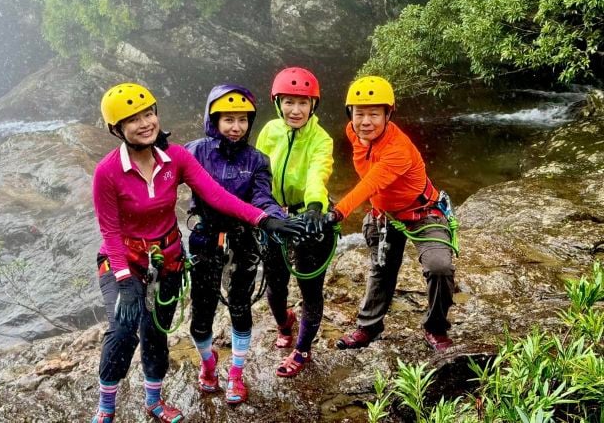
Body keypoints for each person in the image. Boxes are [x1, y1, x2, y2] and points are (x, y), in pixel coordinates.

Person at [91, 82, 303, 423]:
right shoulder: (107, 171)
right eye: (133, 120)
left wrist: (264, 219)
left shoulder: (175, 158)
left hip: (169, 260)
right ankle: (105, 408)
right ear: (118, 129)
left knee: (156, 331)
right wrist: (124, 279)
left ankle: (154, 401)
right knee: (123, 327)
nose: (145, 123)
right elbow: (109, 231)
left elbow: (217, 195)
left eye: (148, 114)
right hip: (123, 260)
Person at [325, 76, 457, 351]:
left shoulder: (398, 150)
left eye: (374, 114)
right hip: (385, 214)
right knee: (381, 268)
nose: (365, 122)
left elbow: (369, 184)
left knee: (439, 267)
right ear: (349, 114)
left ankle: (435, 327)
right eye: (359, 113)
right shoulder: (353, 132)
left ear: (388, 114)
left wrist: (338, 212)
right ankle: (369, 327)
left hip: (422, 212)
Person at [184, 84, 287, 404]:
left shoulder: (257, 159)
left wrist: (275, 217)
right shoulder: (193, 151)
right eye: (228, 119)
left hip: (244, 239)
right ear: (213, 120)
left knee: (241, 306)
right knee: (201, 314)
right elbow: (160, 176)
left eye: (242, 120)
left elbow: (262, 196)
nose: (236, 127)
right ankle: (208, 364)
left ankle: (237, 374)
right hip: (206, 240)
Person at [255, 67, 336, 377]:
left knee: (309, 285)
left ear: (313, 105)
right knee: (274, 283)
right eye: (289, 102)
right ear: (278, 102)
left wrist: (315, 207)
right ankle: (283, 323)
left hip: (308, 216)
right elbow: (259, 172)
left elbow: (319, 172)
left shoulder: (321, 138)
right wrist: (262, 210)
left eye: (303, 103)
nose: (296, 110)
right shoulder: (269, 131)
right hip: (274, 214)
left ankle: (302, 349)